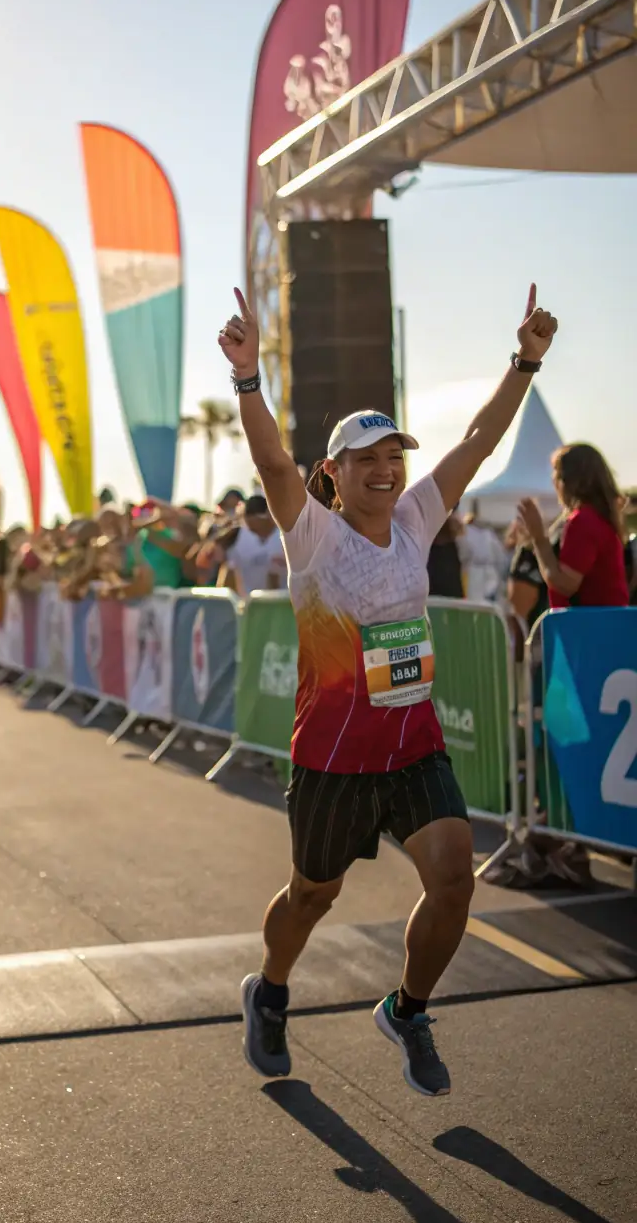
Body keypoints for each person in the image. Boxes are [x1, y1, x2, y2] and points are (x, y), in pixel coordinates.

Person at [220, 282, 558, 1096]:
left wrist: (524, 363)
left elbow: (478, 440)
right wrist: (247, 380)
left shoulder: (415, 517)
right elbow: (271, 461)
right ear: (333, 475)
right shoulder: (313, 534)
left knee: (453, 876)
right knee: (312, 894)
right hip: (334, 758)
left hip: (413, 744)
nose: (383, 469)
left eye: (391, 456)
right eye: (364, 459)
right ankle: (268, 990)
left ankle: (408, 1009)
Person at [517, 443, 629, 610]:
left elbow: (565, 584)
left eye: (557, 474)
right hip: (607, 624)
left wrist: (539, 538)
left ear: (570, 481)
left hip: (589, 626)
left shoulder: (583, 521)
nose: (553, 481)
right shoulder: (600, 518)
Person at [220, 493, 286, 597]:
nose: (252, 530)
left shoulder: (286, 536)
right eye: (249, 526)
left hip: (283, 604)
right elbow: (228, 572)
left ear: (268, 515)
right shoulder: (239, 535)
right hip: (249, 605)